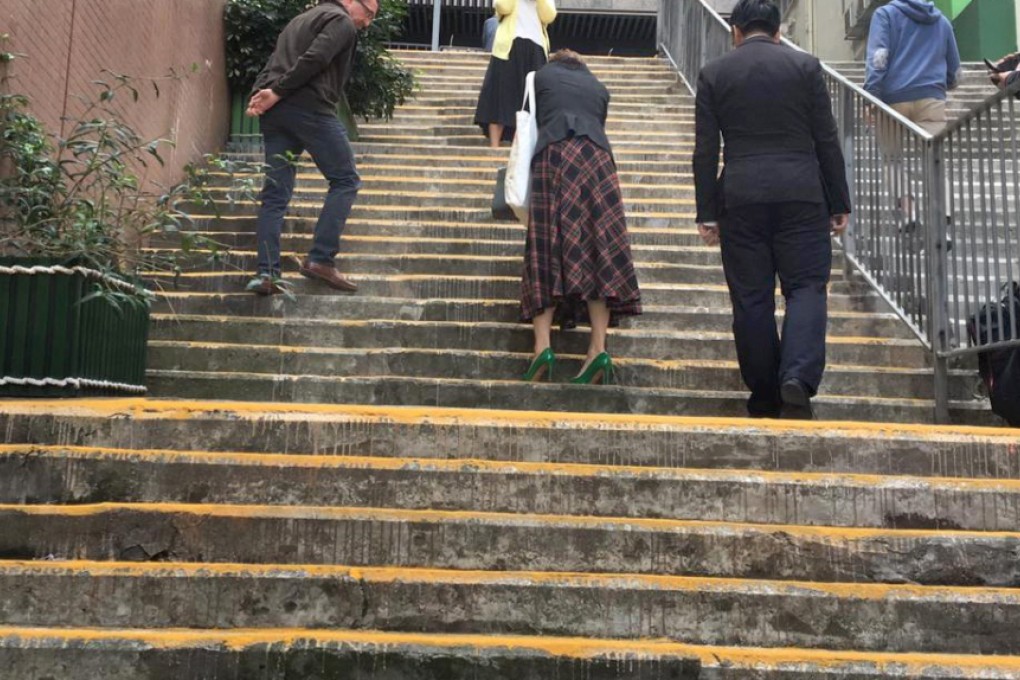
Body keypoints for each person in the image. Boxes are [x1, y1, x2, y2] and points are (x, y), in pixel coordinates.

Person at [692, 0, 851, 419]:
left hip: (741, 196)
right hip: (802, 192)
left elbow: (705, 150)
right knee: (806, 287)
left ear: (736, 32)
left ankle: (764, 394)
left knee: (750, 298)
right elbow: (826, 140)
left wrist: (707, 212)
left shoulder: (714, 74)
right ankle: (796, 376)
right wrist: (839, 201)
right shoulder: (806, 68)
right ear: (779, 32)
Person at [520, 49, 641, 385]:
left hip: (555, 155)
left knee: (544, 248)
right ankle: (598, 349)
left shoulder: (541, 76)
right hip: (600, 163)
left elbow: (530, 121)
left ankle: (542, 347)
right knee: (598, 248)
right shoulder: (599, 87)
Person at [245, 0, 378, 296]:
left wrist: (261, 94)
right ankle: (320, 258)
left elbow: (274, 60)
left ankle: (267, 273)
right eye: (367, 13)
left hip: (277, 113)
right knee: (346, 179)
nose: (367, 22)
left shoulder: (300, 19)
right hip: (308, 106)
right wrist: (276, 92)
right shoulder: (341, 20)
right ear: (348, 1)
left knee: (275, 194)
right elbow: (316, 58)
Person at [864, 0, 960, 229]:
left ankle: (909, 212)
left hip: (892, 99)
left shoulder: (885, 15)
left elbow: (879, 57)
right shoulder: (942, 21)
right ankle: (942, 217)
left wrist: (871, 96)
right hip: (931, 98)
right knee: (933, 158)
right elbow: (955, 71)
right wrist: (941, 84)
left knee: (892, 158)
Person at [474, 0, 557, 149]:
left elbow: (549, 16)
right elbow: (502, 7)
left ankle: (520, 146)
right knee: (499, 94)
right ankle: (494, 146)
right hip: (508, 46)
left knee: (529, 99)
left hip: (535, 47)